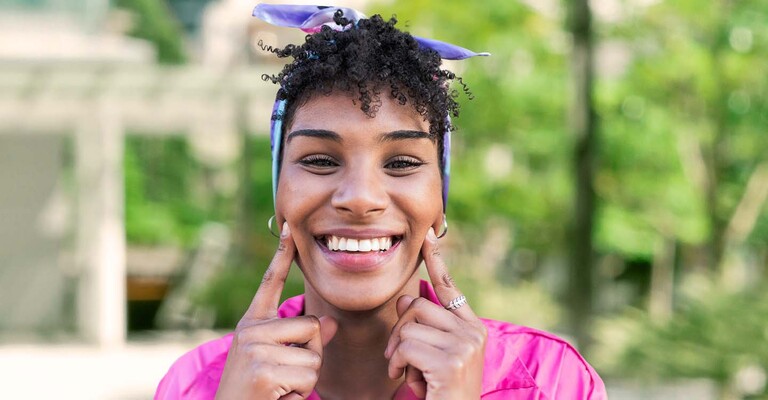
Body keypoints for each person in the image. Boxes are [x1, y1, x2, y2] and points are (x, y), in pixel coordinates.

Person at [155, 4, 606, 399]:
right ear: (279, 196)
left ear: (440, 200)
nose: (361, 198)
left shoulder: (553, 381)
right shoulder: (197, 385)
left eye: (403, 163)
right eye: (318, 160)